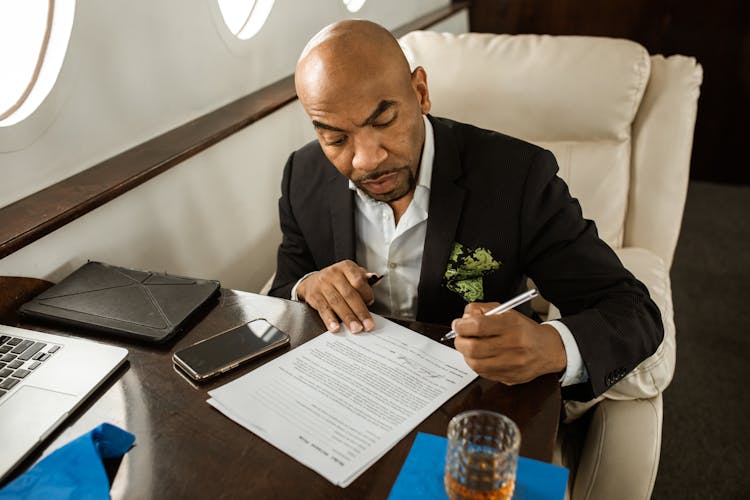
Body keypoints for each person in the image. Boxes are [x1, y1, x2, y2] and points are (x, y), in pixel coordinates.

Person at [269, 20, 663, 402]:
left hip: (473, 402)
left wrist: (550, 346)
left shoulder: (518, 179)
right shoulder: (303, 175)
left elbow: (632, 312)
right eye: (336, 138)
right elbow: (284, 291)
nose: (367, 161)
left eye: (385, 121)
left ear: (420, 92)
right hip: (346, 395)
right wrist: (309, 286)